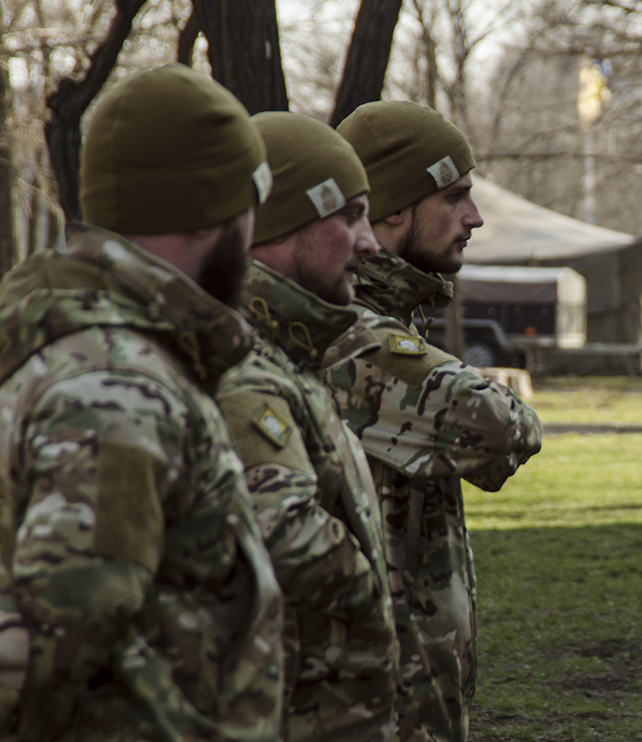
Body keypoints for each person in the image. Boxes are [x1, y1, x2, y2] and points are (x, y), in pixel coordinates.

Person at [0, 64, 284, 740]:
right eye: (249, 208)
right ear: (212, 211)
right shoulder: (117, 387)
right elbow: (66, 622)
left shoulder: (82, 342)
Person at [329, 101, 542, 742]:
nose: (474, 217)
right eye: (454, 196)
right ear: (394, 208)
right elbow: (502, 428)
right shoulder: (350, 333)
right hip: (369, 699)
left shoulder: (387, 318)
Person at [215, 111, 401, 741]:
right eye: (349, 217)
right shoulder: (243, 364)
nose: (370, 243)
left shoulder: (295, 352)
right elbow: (279, 530)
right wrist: (370, 582)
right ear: (279, 224)